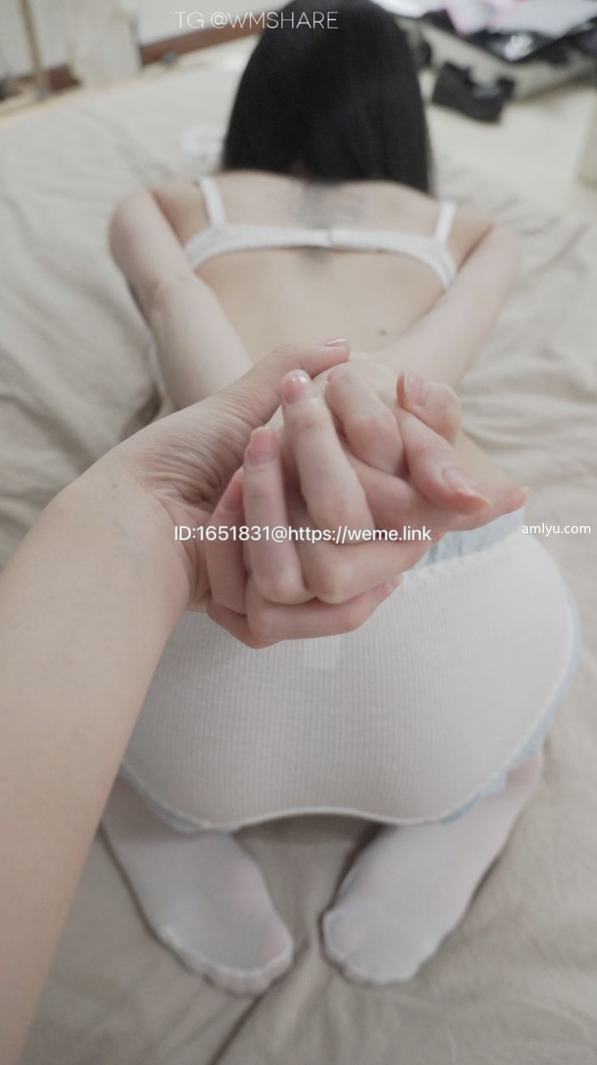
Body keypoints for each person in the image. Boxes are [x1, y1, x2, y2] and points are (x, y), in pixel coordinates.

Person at [104, 0, 580, 998]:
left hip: (202, 575)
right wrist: (344, 441)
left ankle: (155, 819)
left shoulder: (162, 203)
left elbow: (176, 305)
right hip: (449, 583)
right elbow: (420, 372)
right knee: (516, 741)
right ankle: (478, 802)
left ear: (257, 94)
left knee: (105, 710)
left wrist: (266, 462)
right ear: (398, 107)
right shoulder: (474, 230)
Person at [1, 342, 497, 1064]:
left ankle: (149, 810)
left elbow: (186, 317)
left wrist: (336, 399)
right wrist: (303, 423)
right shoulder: (183, 245)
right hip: (265, 536)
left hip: (403, 534)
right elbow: (173, 302)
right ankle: (492, 785)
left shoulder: (461, 235)